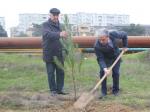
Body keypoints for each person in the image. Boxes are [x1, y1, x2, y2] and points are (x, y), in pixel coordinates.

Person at [94, 29, 128, 98]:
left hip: (116, 56)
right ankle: (103, 92)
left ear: (108, 37)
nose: (101, 41)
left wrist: (125, 46)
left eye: (103, 39)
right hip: (105, 59)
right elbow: (100, 59)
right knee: (102, 73)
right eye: (99, 39)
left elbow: (125, 34)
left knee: (116, 73)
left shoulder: (114, 34)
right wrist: (105, 68)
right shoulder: (97, 46)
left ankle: (115, 91)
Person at [42, 8, 68, 96]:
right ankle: (53, 90)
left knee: (61, 72)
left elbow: (62, 38)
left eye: (57, 15)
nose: (56, 17)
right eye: (54, 15)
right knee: (51, 73)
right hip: (49, 53)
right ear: (50, 15)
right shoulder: (45, 25)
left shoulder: (60, 25)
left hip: (59, 53)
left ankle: (60, 89)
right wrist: (59, 34)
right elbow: (47, 34)